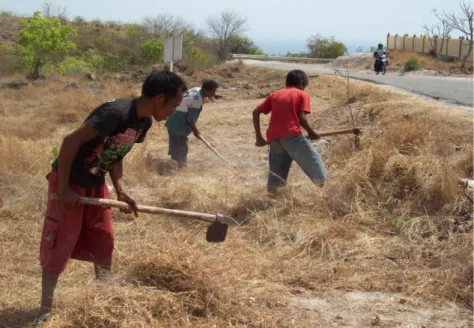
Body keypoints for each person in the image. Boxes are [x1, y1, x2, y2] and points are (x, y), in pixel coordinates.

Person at [39, 71, 187, 319]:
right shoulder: (115, 113)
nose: (174, 111)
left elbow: (116, 152)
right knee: (60, 240)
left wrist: (121, 189)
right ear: (160, 98)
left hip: (95, 180)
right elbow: (69, 143)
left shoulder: (144, 122)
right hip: (70, 180)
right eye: (174, 105)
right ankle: (44, 310)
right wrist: (64, 189)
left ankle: (102, 300)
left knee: (103, 238)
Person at [252, 70, 328, 195]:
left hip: (274, 138)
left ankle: (272, 198)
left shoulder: (275, 94)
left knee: (276, 174)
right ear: (302, 83)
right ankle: (325, 193)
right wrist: (311, 132)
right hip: (292, 136)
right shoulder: (301, 94)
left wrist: (259, 137)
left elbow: (255, 112)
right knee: (314, 163)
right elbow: (302, 118)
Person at [165, 80, 219, 168]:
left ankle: (175, 163)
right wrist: (195, 131)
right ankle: (181, 166)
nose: (214, 93)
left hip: (173, 117)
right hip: (179, 121)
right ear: (205, 89)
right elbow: (189, 118)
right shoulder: (197, 100)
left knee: (175, 142)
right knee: (182, 144)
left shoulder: (196, 89)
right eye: (212, 91)